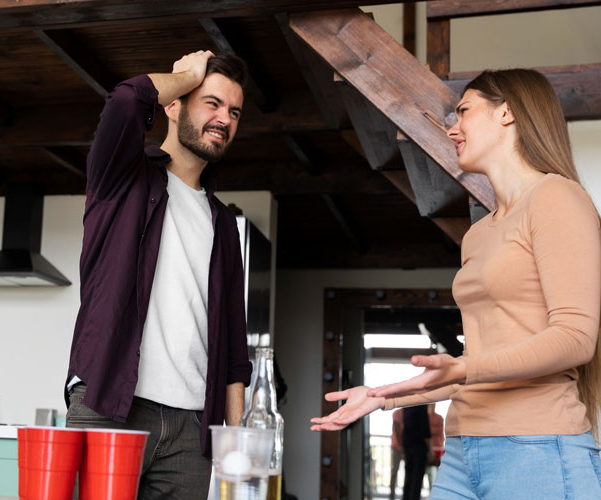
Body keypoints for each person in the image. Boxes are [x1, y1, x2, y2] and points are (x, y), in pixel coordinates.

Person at [310, 69, 601, 499]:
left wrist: (466, 366)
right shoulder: (479, 234)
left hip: (538, 448)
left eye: (463, 111)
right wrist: (381, 397)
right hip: (464, 450)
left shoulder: (556, 198)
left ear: (507, 113)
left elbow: (576, 339)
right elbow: (479, 365)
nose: (452, 128)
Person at [64, 51, 252, 500]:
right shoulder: (121, 180)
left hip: (192, 431)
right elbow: (126, 100)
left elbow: (233, 350)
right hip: (109, 405)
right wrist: (186, 75)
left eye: (234, 111)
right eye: (211, 102)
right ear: (174, 105)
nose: (223, 118)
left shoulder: (224, 224)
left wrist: (234, 440)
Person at [401, 405, 430, 500]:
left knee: (409, 478)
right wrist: (430, 449)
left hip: (408, 446)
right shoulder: (422, 406)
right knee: (417, 479)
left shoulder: (407, 406)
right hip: (419, 446)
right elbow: (425, 429)